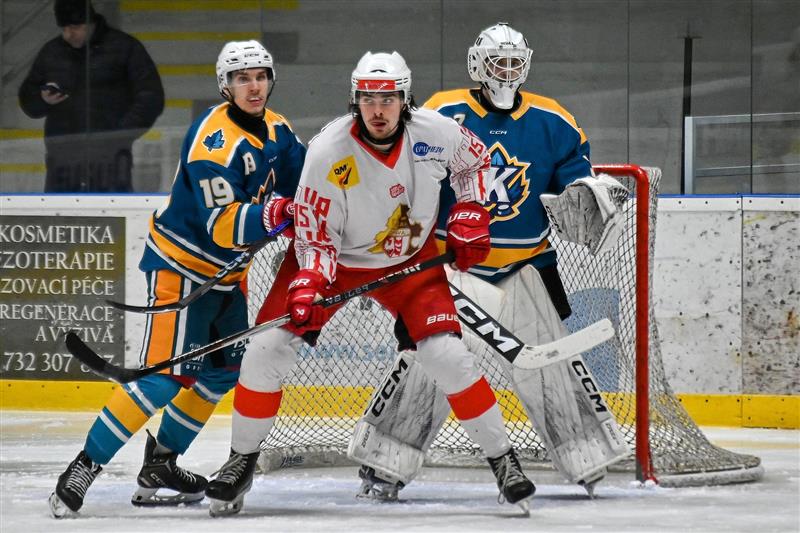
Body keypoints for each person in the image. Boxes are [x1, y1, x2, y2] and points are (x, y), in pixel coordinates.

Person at [202, 50, 536, 517]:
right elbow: (316, 235)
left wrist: (471, 212)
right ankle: (241, 461)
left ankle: (503, 461)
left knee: (447, 356)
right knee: (266, 350)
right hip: (335, 259)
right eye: (368, 100)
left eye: (388, 100)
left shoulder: (437, 132)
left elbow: (475, 165)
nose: (378, 111)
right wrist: (310, 282)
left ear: (405, 100)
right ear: (355, 100)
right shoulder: (328, 151)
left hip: (410, 259)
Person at [351, 22, 630, 500]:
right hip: (451, 267)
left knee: (552, 364)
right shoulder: (442, 112)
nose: (506, 71)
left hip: (527, 265)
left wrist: (586, 196)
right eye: (497, 62)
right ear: (477, 65)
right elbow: (404, 179)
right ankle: (386, 462)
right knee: (430, 362)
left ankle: (586, 455)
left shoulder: (554, 119)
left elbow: (574, 180)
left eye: (514, 62)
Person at [48, 40, 305, 518]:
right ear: (225, 85)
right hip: (182, 270)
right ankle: (83, 467)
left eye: (260, 76)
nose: (253, 86)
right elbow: (222, 226)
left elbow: (303, 182)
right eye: (242, 78)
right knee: (165, 380)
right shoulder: (213, 143)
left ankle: (161, 464)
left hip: (230, 277)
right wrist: (276, 214)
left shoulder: (278, 129)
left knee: (222, 373)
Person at [18, 0, 164, 192]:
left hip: (110, 160)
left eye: (75, 27)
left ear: (91, 23)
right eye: (64, 28)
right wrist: (42, 99)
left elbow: (150, 97)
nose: (69, 34)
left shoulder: (124, 47)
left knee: (111, 208)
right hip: (62, 161)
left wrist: (119, 135)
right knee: (61, 210)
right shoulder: (52, 52)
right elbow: (28, 98)